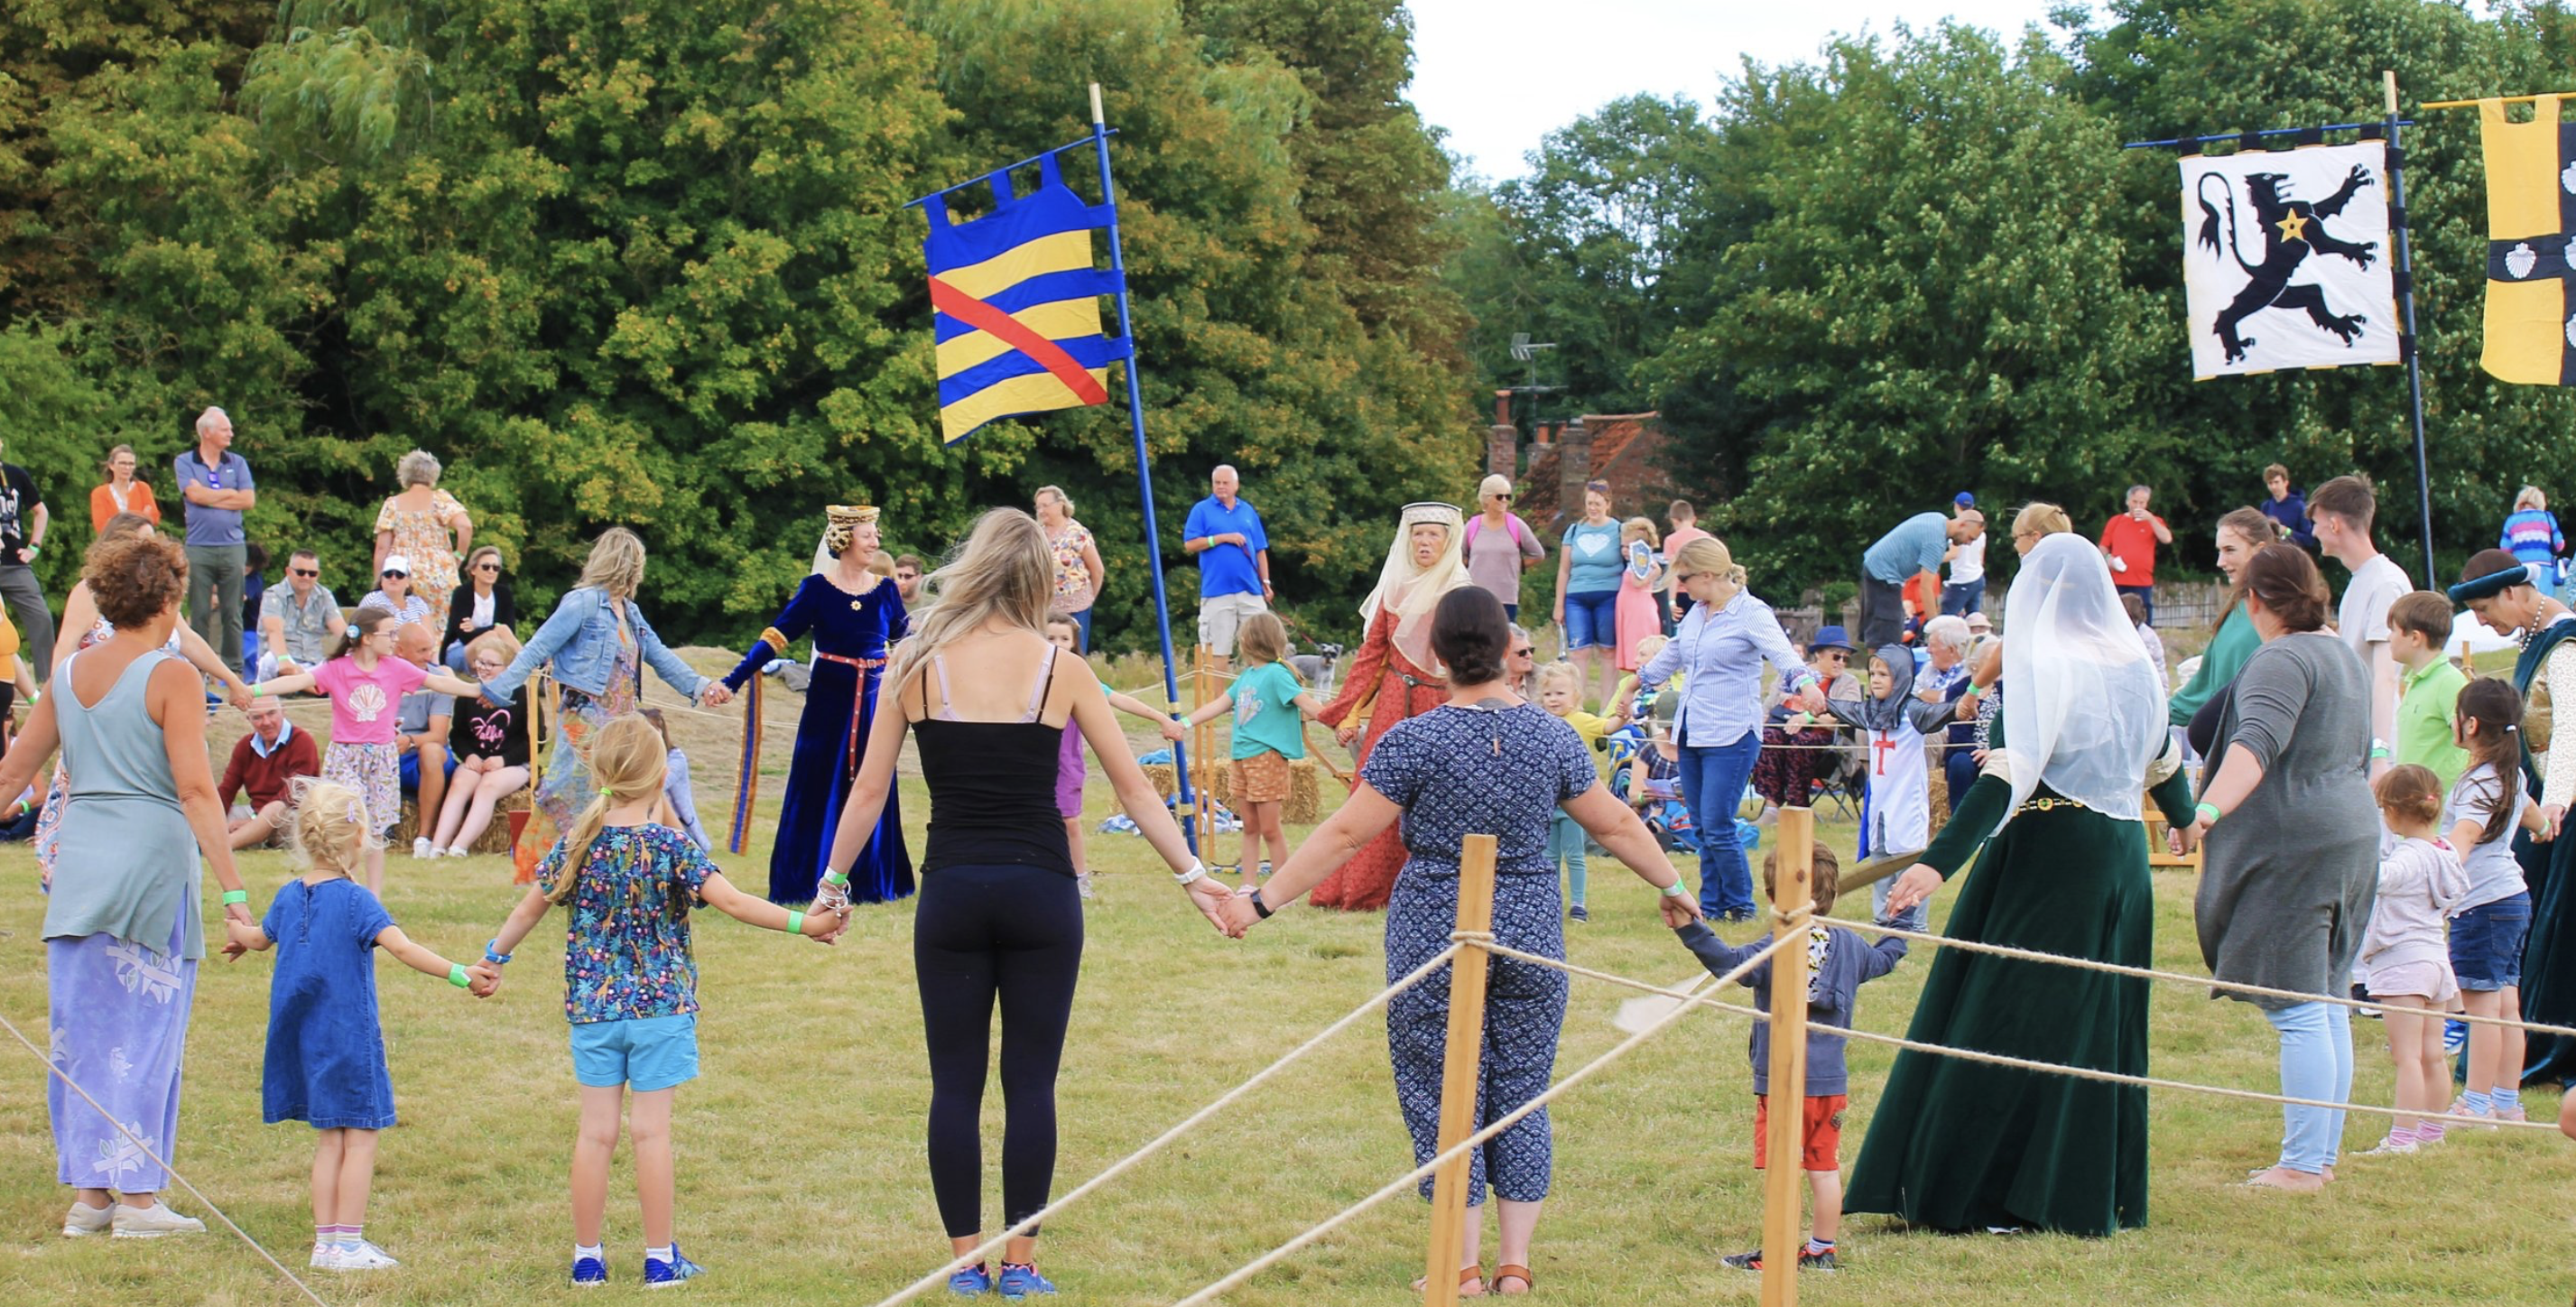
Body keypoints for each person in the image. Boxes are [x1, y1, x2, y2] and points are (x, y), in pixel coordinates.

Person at [1218, 585, 1699, 1298]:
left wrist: (1259, 902)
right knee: (1522, 1089)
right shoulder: (1552, 735)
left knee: (1443, 1090)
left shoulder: (1414, 739)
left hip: (1434, 925)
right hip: (1532, 922)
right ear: (1508, 653)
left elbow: (1349, 831)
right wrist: (1673, 887)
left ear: (1438, 654)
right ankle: (1513, 1264)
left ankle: (1463, 1265)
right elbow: (1619, 824)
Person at [815, 508, 1233, 1299]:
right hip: (1042, 893)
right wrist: (1193, 875)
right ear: (1039, 578)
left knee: (954, 1084)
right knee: (1031, 1083)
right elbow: (1136, 789)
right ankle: (1021, 1264)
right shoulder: (1058, 666)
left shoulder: (915, 664)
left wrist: (831, 885)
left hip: (954, 896)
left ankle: (966, 1262)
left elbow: (869, 789)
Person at [1855, 534, 2191, 1235]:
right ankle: (2074, 1187)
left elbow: (2006, 778)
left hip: (2053, 857)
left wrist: (1935, 863)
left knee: (2014, 1014)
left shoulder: (2047, 669)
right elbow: (2164, 764)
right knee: (2092, 1017)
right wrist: (2186, 822)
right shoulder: (2135, 668)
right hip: (2123, 855)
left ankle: (1995, 1193)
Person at [478, 714, 845, 1288]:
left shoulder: (579, 843)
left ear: (601, 772)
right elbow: (738, 903)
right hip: (662, 1011)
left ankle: (587, 1259)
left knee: (594, 1134)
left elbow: (530, 908)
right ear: (659, 780)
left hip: (594, 1012)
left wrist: (493, 960)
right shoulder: (672, 845)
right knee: (652, 1134)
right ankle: (659, 1259)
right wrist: (807, 924)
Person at [0, 532, 254, 1239]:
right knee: (145, 1036)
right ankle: (138, 1200)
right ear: (169, 598)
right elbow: (199, 793)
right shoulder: (170, 675)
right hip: (149, 866)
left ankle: (92, 1197)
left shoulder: (68, 675)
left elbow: (10, 778)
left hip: (81, 865)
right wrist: (235, 896)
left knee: (80, 1034)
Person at [224, 779, 494, 1272]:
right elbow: (405, 949)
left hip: (303, 1041)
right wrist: (461, 974)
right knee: (361, 1137)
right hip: (348, 1039)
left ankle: (325, 1243)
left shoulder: (288, 897)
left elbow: (259, 939)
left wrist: (236, 930)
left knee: (330, 1139)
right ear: (359, 837)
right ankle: (347, 1245)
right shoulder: (357, 901)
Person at [2176, 543, 2377, 1192]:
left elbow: (2253, 746)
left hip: (2299, 844)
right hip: (2349, 832)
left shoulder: (2282, 658)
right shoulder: (2339, 653)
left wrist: (2203, 812)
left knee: (2298, 1007)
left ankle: (2302, 1165)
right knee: (2325, 999)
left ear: (2254, 601)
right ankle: (2319, 1155)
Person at [1678, 842, 1906, 1275]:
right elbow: (1887, 957)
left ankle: (1781, 1251)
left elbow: (1729, 965)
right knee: (1823, 1168)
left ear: (1770, 897)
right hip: (1829, 1087)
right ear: (1832, 894)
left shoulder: (1775, 947)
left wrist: (1690, 930)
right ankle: (1822, 1250)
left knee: (1784, 1171)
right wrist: (1900, 922)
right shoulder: (1852, 947)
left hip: (1784, 1086)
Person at [483, 527, 732, 883]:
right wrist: (498, 689)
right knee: (576, 793)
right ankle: (546, 870)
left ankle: (628, 870)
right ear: (628, 565)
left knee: (627, 791)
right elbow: (538, 648)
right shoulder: (581, 602)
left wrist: (702, 686)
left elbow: (658, 655)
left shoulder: (629, 613)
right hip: (583, 717)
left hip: (620, 721)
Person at [39, 514, 253, 886]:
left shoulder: (159, 599)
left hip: (159, 719)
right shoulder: (89, 593)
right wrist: (61, 707)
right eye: (145, 542)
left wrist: (232, 680)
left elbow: (188, 640)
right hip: (105, 720)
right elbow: (65, 651)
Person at [720, 505, 911, 904]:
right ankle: (805, 879)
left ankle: (872, 879)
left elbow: (907, 642)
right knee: (818, 783)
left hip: (875, 699)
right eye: (867, 535)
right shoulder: (817, 589)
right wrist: (732, 680)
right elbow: (774, 638)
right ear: (844, 540)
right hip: (829, 699)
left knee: (872, 780)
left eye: (876, 534)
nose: (876, 541)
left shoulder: (886, 590)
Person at [1636, 536, 1821, 922]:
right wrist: (1636, 683)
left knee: (1719, 824)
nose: (1681, 587)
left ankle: (1741, 905)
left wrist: (1806, 686)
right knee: (1702, 826)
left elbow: (1784, 656)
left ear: (1708, 575)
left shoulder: (1751, 613)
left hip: (1732, 734)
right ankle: (1714, 906)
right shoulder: (1696, 614)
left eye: (1684, 578)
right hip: (1692, 731)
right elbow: (1672, 653)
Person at [1311, 503, 1477, 911]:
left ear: (1448, 540)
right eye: (1418, 534)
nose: (1424, 542)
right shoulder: (1395, 588)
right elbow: (1372, 654)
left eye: (1433, 534)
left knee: (1444, 794)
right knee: (1376, 791)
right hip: (1393, 701)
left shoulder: (1460, 590)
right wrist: (1343, 709)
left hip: (1441, 702)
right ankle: (1364, 890)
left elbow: (1471, 656)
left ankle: (1439, 891)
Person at [2451, 551, 2576, 1082]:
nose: (2482, 622)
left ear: (2513, 593)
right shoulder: (2532, 637)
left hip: (2560, 810)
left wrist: (2557, 801)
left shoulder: (2565, 645)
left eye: (2484, 609)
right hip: (2533, 802)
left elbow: (2571, 729)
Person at [251, 609, 483, 895]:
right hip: (346, 756)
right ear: (369, 638)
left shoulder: (396, 667)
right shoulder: (337, 668)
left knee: (374, 830)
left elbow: (438, 682)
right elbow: (297, 681)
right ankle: (348, 886)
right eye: (390, 634)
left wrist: (481, 690)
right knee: (349, 821)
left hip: (382, 758)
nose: (394, 639)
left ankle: (371, 897)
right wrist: (254, 691)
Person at [2353, 765, 2467, 1156]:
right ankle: (2431, 1131)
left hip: (2404, 964)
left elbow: (2380, 878)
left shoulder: (2409, 857)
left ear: (2395, 812)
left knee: (2407, 1058)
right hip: (2436, 961)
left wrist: (2350, 862)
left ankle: (2402, 1139)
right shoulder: (2446, 852)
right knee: (2433, 1054)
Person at [2441, 678, 2540, 1125]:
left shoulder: (2479, 783)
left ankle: (2476, 1103)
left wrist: (2436, 872)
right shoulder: (2511, 774)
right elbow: (2532, 811)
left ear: (2472, 724)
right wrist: (2540, 827)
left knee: (2481, 1010)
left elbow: (2464, 835)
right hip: (2512, 900)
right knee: (2505, 1006)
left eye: (2456, 715)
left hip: (2482, 908)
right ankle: (2506, 1102)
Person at [1045, 612, 1182, 896]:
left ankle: (1080, 879)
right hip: (1034, 762)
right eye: (1050, 638)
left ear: (1074, 643)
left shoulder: (1079, 677)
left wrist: (1161, 718)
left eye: (1064, 639)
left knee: (1069, 821)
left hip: (1066, 764)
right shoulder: (1031, 674)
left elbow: (1119, 699)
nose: (1058, 644)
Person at [1179, 610, 1320, 885]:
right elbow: (1218, 705)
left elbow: (1307, 704)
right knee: (1250, 828)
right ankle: (1248, 885)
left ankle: (1282, 888)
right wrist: (1183, 724)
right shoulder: (1246, 677)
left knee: (1270, 829)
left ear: (1249, 640)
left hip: (1266, 758)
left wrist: (1337, 720)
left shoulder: (1278, 675)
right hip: (1241, 758)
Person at [1820, 644, 1954, 930]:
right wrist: (1821, 703)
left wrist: (1961, 705)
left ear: (1902, 676)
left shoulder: (1914, 712)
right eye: (1873, 673)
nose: (1876, 679)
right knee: (1880, 860)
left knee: (1908, 861)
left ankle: (1914, 923)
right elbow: (1846, 709)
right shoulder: (1871, 712)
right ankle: (1883, 919)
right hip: (1880, 801)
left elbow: (1941, 713)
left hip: (1906, 801)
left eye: (1884, 673)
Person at [2308, 475, 2408, 779]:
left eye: (2317, 522)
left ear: (2335, 524)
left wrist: (2380, 756)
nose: (2314, 532)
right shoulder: (2360, 579)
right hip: (2355, 735)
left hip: (2377, 744)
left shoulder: (2385, 583)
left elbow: (2385, 677)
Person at [2167, 507, 2276, 730]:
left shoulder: (2279, 612)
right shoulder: (2237, 606)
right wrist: (2159, 715)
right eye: (2219, 551)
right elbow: (2204, 688)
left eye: (2229, 550)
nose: (2220, 561)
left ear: (2259, 551)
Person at [428, 630, 531, 857]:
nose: (483, 668)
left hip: (512, 763)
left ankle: (459, 846)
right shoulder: (468, 693)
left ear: (506, 667)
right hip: (477, 759)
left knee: (488, 786)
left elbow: (534, 741)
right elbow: (458, 735)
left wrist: (503, 760)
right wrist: (469, 756)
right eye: (480, 662)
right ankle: (437, 846)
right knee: (459, 785)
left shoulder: (522, 695)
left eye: (491, 664)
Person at [176, 406, 254, 678]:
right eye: (225, 429)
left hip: (233, 546)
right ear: (207, 432)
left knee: (233, 611)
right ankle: (197, 669)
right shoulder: (185, 462)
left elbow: (248, 500)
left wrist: (210, 496)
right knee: (199, 611)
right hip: (199, 547)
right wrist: (228, 494)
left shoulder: (237, 462)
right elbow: (194, 496)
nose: (231, 433)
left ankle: (233, 669)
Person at [1752, 626, 1858, 819]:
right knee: (1768, 737)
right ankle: (1772, 807)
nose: (1841, 662)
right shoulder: (1794, 674)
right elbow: (1768, 707)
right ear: (1819, 654)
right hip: (1782, 729)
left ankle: (1797, 806)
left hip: (1825, 745)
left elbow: (1844, 718)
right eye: (1836, 657)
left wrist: (1809, 717)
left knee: (1800, 741)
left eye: (1845, 658)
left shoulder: (1848, 683)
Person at [1534, 661, 1609, 921]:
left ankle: (1578, 903)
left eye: (1560, 693)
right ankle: (1551, 900)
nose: (1553, 699)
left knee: (1575, 854)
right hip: (1546, 803)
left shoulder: (1582, 720)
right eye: (1548, 694)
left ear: (1575, 695)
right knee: (1549, 856)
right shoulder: (1537, 723)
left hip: (1573, 804)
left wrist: (1622, 715)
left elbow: (1607, 728)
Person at [372, 450, 470, 635]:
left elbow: (382, 548)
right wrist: (458, 556)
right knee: (440, 630)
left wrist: (379, 583)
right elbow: (465, 527)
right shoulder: (441, 499)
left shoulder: (393, 504)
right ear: (433, 474)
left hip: (403, 575)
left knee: (403, 629)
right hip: (441, 574)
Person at [1181, 464, 1272, 664]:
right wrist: (1222, 538)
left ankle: (1258, 693)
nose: (1221, 487)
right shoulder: (1201, 510)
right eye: (1217, 483)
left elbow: (1260, 549)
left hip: (1250, 589)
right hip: (1217, 591)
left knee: (1261, 646)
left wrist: (1265, 581)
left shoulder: (1247, 511)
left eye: (1225, 483)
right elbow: (1190, 544)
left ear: (1236, 485)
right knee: (1218, 651)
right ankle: (1218, 696)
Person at [1859, 507, 1982, 648]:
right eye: (1970, 538)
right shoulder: (1936, 542)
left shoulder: (1937, 518)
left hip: (1875, 565)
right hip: (1884, 575)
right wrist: (1936, 627)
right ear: (1962, 525)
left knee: (1880, 631)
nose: (1968, 543)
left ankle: (1876, 667)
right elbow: (1926, 587)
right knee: (1888, 636)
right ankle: (1879, 668)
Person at [1552, 480, 1625, 708]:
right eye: (1589, 503)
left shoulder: (1618, 530)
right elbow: (1564, 569)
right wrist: (1559, 603)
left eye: (1597, 503)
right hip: (1577, 596)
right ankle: (1577, 705)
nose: (1593, 508)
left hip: (1608, 595)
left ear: (1608, 504)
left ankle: (1607, 706)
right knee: (1578, 652)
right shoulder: (1574, 531)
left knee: (1608, 651)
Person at [2387, 591, 2470, 789]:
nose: (2388, 637)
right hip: (2413, 808)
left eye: (2393, 630)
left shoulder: (2449, 681)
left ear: (2415, 638)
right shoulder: (2415, 682)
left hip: (2440, 812)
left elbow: (2473, 743)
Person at [390, 622, 457, 858]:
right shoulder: (382, 676)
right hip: (387, 751)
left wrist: (408, 740)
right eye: (421, 651)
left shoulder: (438, 680)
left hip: (422, 756)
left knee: (430, 750)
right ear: (399, 651)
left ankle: (424, 837)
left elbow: (438, 736)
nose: (429, 657)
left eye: (430, 649)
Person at [219, 696, 320, 850]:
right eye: (257, 717)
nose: (266, 722)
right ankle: (244, 838)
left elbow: (293, 793)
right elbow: (227, 789)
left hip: (290, 813)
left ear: (283, 711)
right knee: (216, 813)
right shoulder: (245, 746)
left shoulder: (301, 741)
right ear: (249, 719)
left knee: (277, 810)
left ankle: (222, 847)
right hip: (255, 812)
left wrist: (254, 821)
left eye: (271, 713)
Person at [0, 431, 55, 681]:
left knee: (41, 617)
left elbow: (40, 511)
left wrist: (34, 546)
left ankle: (47, 682)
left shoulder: (15, 475)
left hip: (15, 563)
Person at [1464, 474, 1544, 621]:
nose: (1504, 501)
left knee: (1503, 640)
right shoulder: (1472, 526)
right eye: (1499, 497)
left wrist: (1516, 564)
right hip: (1475, 597)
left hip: (1506, 597)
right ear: (1487, 498)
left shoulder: (1516, 525)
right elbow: (1459, 556)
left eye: (1508, 497)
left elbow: (1538, 554)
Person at [1033, 486, 1104, 652]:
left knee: (1075, 650)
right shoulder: (1038, 535)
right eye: (1038, 507)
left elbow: (1097, 570)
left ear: (1060, 505)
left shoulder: (1077, 533)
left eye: (1045, 505)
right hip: (1047, 608)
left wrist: (1089, 598)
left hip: (1077, 607)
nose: (1041, 511)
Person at [259, 548, 346, 680]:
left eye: (312, 574)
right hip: (281, 660)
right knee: (271, 661)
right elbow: (274, 632)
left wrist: (357, 649)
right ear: (288, 571)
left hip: (314, 663)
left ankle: (304, 683)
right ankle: (315, 685)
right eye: (300, 572)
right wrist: (284, 660)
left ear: (318, 575)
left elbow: (341, 630)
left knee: (345, 663)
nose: (306, 577)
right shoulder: (274, 594)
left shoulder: (324, 595)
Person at [2097, 485, 2171, 624]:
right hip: (2118, 579)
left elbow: (2166, 538)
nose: (2138, 506)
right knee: (2115, 617)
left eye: (2142, 502)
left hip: (2142, 581)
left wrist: (2151, 519)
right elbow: (2103, 546)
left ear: (2147, 503)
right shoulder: (2116, 521)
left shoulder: (2154, 521)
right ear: (2127, 501)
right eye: (2134, 502)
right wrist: (2109, 559)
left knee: (2143, 619)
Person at [440, 545, 515, 673]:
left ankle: (528, 667)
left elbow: (510, 629)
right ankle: (530, 668)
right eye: (486, 567)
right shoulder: (462, 593)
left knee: (500, 632)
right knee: (495, 634)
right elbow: (464, 636)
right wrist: (493, 629)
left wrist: (476, 629)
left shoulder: (504, 594)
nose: (491, 571)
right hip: (461, 650)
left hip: (495, 649)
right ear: (473, 570)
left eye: (496, 568)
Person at [1613, 516, 1663, 676]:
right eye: (1623, 547)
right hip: (1629, 610)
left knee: (1640, 647)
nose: (1625, 550)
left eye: (1629, 547)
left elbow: (1638, 582)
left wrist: (1651, 575)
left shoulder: (1644, 561)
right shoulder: (1632, 563)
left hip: (1638, 610)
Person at [88, 443, 160, 533]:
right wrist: (141, 517)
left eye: (131, 464)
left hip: (140, 540)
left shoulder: (143, 488)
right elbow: (101, 526)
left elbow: (154, 517)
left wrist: (116, 521)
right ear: (111, 465)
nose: (127, 468)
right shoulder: (99, 493)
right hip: (113, 542)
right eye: (122, 463)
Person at [2500, 486, 2564, 585]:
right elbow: (2559, 545)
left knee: (2524, 600)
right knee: (2544, 600)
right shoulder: (2547, 517)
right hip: (2544, 568)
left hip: (2521, 569)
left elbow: (2505, 550)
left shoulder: (2511, 520)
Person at [1941, 491, 1987, 616]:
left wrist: (1932, 560)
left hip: (1961, 579)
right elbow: (1980, 559)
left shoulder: (1956, 528)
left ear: (1956, 506)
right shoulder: (1980, 531)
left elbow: (1953, 554)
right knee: (1973, 618)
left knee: (1947, 617)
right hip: (1978, 577)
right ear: (1972, 508)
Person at [357, 556, 431, 629]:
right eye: (388, 574)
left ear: (408, 581)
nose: (393, 578)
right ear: (382, 579)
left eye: (399, 575)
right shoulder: (372, 599)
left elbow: (429, 637)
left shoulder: (418, 603)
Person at [2262, 464, 2318, 551]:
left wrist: (2287, 531)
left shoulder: (2299, 506)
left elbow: (2309, 540)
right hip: (2272, 557)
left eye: (2276, 482)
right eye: (2270, 483)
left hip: (2293, 557)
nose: (2273, 487)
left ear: (2286, 483)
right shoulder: (2266, 506)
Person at [1503, 624, 1536, 699]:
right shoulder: (1488, 683)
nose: (1529, 656)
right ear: (1504, 654)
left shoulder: (1544, 679)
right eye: (1522, 652)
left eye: (1531, 650)